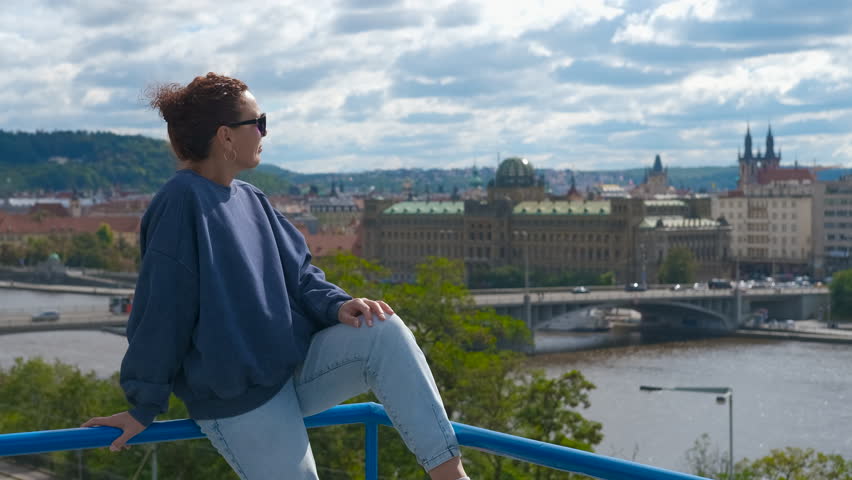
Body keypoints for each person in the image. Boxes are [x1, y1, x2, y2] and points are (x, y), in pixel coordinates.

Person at [82, 73, 469, 480]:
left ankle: (448, 474)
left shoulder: (250, 198)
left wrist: (338, 305)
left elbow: (300, 275)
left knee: (383, 331)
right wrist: (144, 406)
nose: (265, 132)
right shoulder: (181, 204)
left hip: (285, 369)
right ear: (226, 137)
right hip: (238, 398)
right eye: (258, 122)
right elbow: (162, 312)